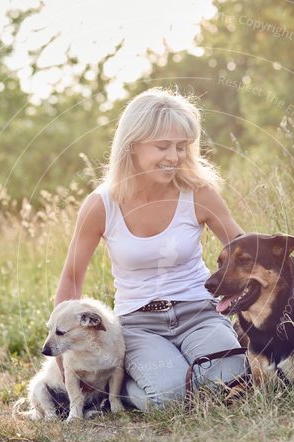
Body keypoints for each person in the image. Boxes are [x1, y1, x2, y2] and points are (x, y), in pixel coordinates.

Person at [53, 87, 247, 410]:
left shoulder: (199, 194)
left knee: (232, 383)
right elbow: (72, 279)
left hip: (199, 313)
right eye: (162, 146)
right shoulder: (101, 206)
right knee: (168, 398)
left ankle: (186, 371)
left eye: (182, 147)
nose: (174, 156)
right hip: (139, 325)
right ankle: (123, 384)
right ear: (133, 145)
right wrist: (64, 352)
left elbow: (246, 254)